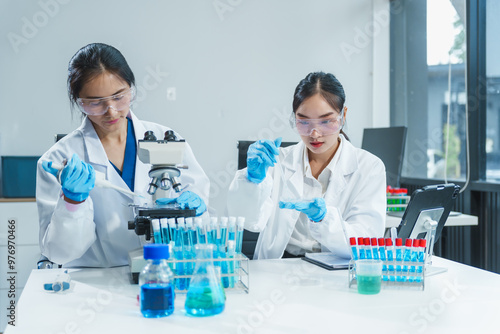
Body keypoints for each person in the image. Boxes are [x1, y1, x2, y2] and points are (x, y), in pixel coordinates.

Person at [37, 43, 210, 267]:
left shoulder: (167, 140)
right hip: (94, 283)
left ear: (131, 89)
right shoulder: (60, 158)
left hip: (163, 271)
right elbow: (59, 254)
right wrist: (72, 202)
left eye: (119, 97)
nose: (111, 111)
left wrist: (195, 211)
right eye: (95, 102)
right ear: (79, 103)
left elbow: (201, 220)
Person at [227, 72, 386, 259]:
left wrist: (323, 219)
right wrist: (253, 181)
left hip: (335, 269)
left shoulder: (369, 167)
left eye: (326, 121)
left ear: (343, 115)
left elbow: (366, 241)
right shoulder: (278, 161)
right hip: (278, 267)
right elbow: (248, 221)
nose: (314, 133)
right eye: (303, 122)